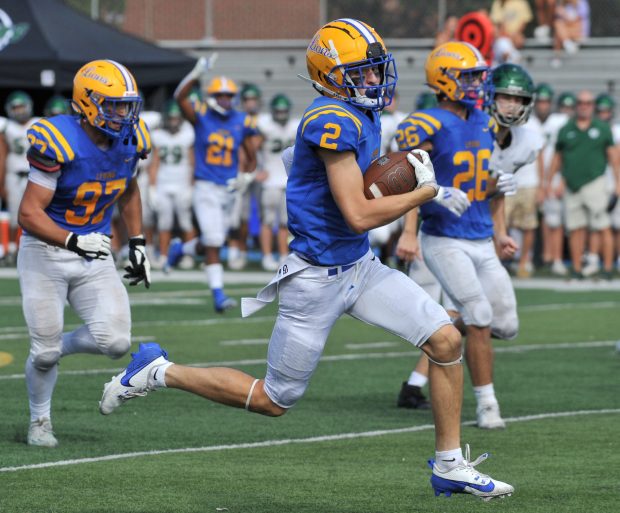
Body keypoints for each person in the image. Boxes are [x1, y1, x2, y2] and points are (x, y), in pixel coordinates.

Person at [99, 20, 514, 500]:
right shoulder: (330, 120)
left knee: (444, 340)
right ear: (331, 76)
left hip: (359, 267)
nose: (376, 82)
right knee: (275, 400)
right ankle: (157, 371)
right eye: (364, 73)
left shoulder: (358, 113)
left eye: (377, 71)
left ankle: (449, 466)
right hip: (314, 280)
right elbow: (358, 213)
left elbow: (353, 194)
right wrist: (426, 192)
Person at [18, 59, 151, 447]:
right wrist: (73, 240)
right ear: (88, 102)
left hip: (95, 251)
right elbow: (28, 213)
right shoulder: (58, 139)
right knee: (42, 355)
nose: (124, 114)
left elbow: (128, 190)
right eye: (114, 105)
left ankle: (62, 344)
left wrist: (138, 242)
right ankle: (39, 422)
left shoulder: (131, 140)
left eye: (127, 105)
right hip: (46, 251)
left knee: (115, 342)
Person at [394, 42, 519, 429]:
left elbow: (482, 178)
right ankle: (487, 405)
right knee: (480, 316)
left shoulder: (484, 120)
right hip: (444, 236)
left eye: (478, 75)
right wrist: (428, 201)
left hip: (481, 236)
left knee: (506, 325)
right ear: (443, 79)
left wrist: (497, 188)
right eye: (468, 76)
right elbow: (402, 173)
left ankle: (439, 321)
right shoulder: (426, 123)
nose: (478, 83)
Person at [169, 68, 258, 312]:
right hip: (205, 185)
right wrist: (194, 75)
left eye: (229, 96)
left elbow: (252, 157)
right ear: (211, 96)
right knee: (214, 240)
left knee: (213, 240)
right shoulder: (201, 116)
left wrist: (246, 177)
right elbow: (180, 97)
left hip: (229, 189)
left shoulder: (242, 121)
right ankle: (218, 294)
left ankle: (181, 248)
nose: (225, 100)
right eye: (220, 95)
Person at [547, 89, 620, 280]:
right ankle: (578, 268)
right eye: (580, 103)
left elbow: (614, 158)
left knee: (603, 226)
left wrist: (618, 183)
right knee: (575, 228)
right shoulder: (566, 129)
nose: (584, 106)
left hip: (595, 181)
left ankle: (607, 267)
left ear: (593, 106)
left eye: (588, 103)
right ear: (576, 105)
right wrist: (549, 182)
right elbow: (557, 158)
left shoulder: (603, 129)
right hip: (572, 184)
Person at [488, 64, 545, 278]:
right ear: (491, 97)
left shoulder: (527, 141)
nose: (513, 105)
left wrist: (501, 233)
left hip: (482, 227)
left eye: (518, 99)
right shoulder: (473, 131)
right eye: (506, 98)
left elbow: (495, 197)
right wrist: (493, 185)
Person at [527, 83, 569, 275]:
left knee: (554, 220)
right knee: (530, 221)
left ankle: (555, 258)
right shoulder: (528, 121)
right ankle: (538, 257)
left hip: (553, 176)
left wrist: (559, 179)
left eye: (546, 102)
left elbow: (565, 152)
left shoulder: (560, 121)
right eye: (540, 101)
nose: (543, 105)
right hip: (529, 177)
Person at [148, 99, 195, 269]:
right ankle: (164, 255)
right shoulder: (158, 135)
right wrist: (152, 187)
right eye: (171, 118)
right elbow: (154, 163)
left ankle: (188, 255)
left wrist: (191, 186)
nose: (174, 121)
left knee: (185, 222)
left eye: (177, 118)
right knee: (164, 223)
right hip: (163, 184)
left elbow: (192, 162)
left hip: (182, 184)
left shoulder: (187, 134)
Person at [257, 94, 298, 271]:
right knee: (267, 221)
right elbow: (252, 148)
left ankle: (283, 255)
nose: (281, 114)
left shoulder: (295, 126)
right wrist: (258, 168)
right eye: (278, 110)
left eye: (284, 110)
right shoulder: (264, 126)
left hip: (287, 180)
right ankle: (266, 256)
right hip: (270, 181)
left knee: (284, 222)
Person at [228, 83, 264, 270]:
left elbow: (260, 147)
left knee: (259, 216)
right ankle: (236, 252)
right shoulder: (237, 120)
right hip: (238, 172)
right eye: (247, 100)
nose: (250, 103)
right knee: (236, 216)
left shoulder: (264, 121)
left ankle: (248, 251)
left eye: (253, 99)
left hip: (259, 173)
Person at [0, 91, 38, 262]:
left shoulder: (39, 123)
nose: (19, 110)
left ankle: (33, 248)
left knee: (36, 212)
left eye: (21, 106)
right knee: (15, 213)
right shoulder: (6, 125)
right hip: (14, 175)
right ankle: (12, 249)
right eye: (15, 107)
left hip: (36, 175)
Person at [595, 93, 620, 271]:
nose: (604, 114)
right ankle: (597, 260)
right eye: (601, 111)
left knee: (617, 225)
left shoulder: (616, 131)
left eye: (606, 111)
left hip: (613, 180)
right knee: (597, 224)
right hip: (598, 180)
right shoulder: (594, 130)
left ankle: (615, 261)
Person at [489, 0, 533, 64]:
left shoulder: (521, 2)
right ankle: (512, 57)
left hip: (514, 38)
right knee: (503, 42)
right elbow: (499, 26)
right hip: (503, 38)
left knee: (504, 43)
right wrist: (509, 36)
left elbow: (524, 23)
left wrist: (516, 35)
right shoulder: (498, 2)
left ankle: (511, 57)